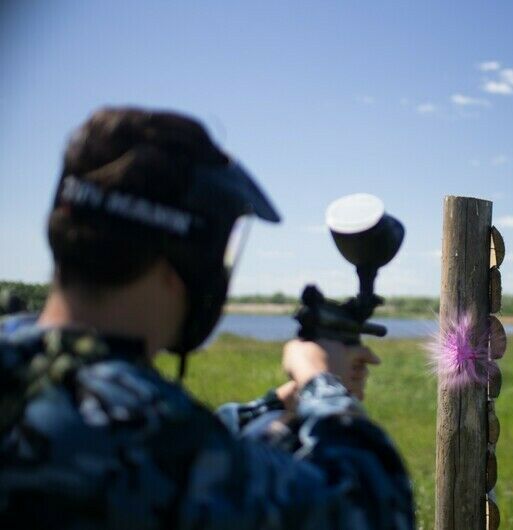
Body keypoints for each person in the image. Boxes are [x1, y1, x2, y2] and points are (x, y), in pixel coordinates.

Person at [0, 108, 414, 529]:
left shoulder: (27, 367)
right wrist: (321, 385)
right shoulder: (152, 434)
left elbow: (204, 441)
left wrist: (280, 403)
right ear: (190, 258)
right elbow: (374, 506)